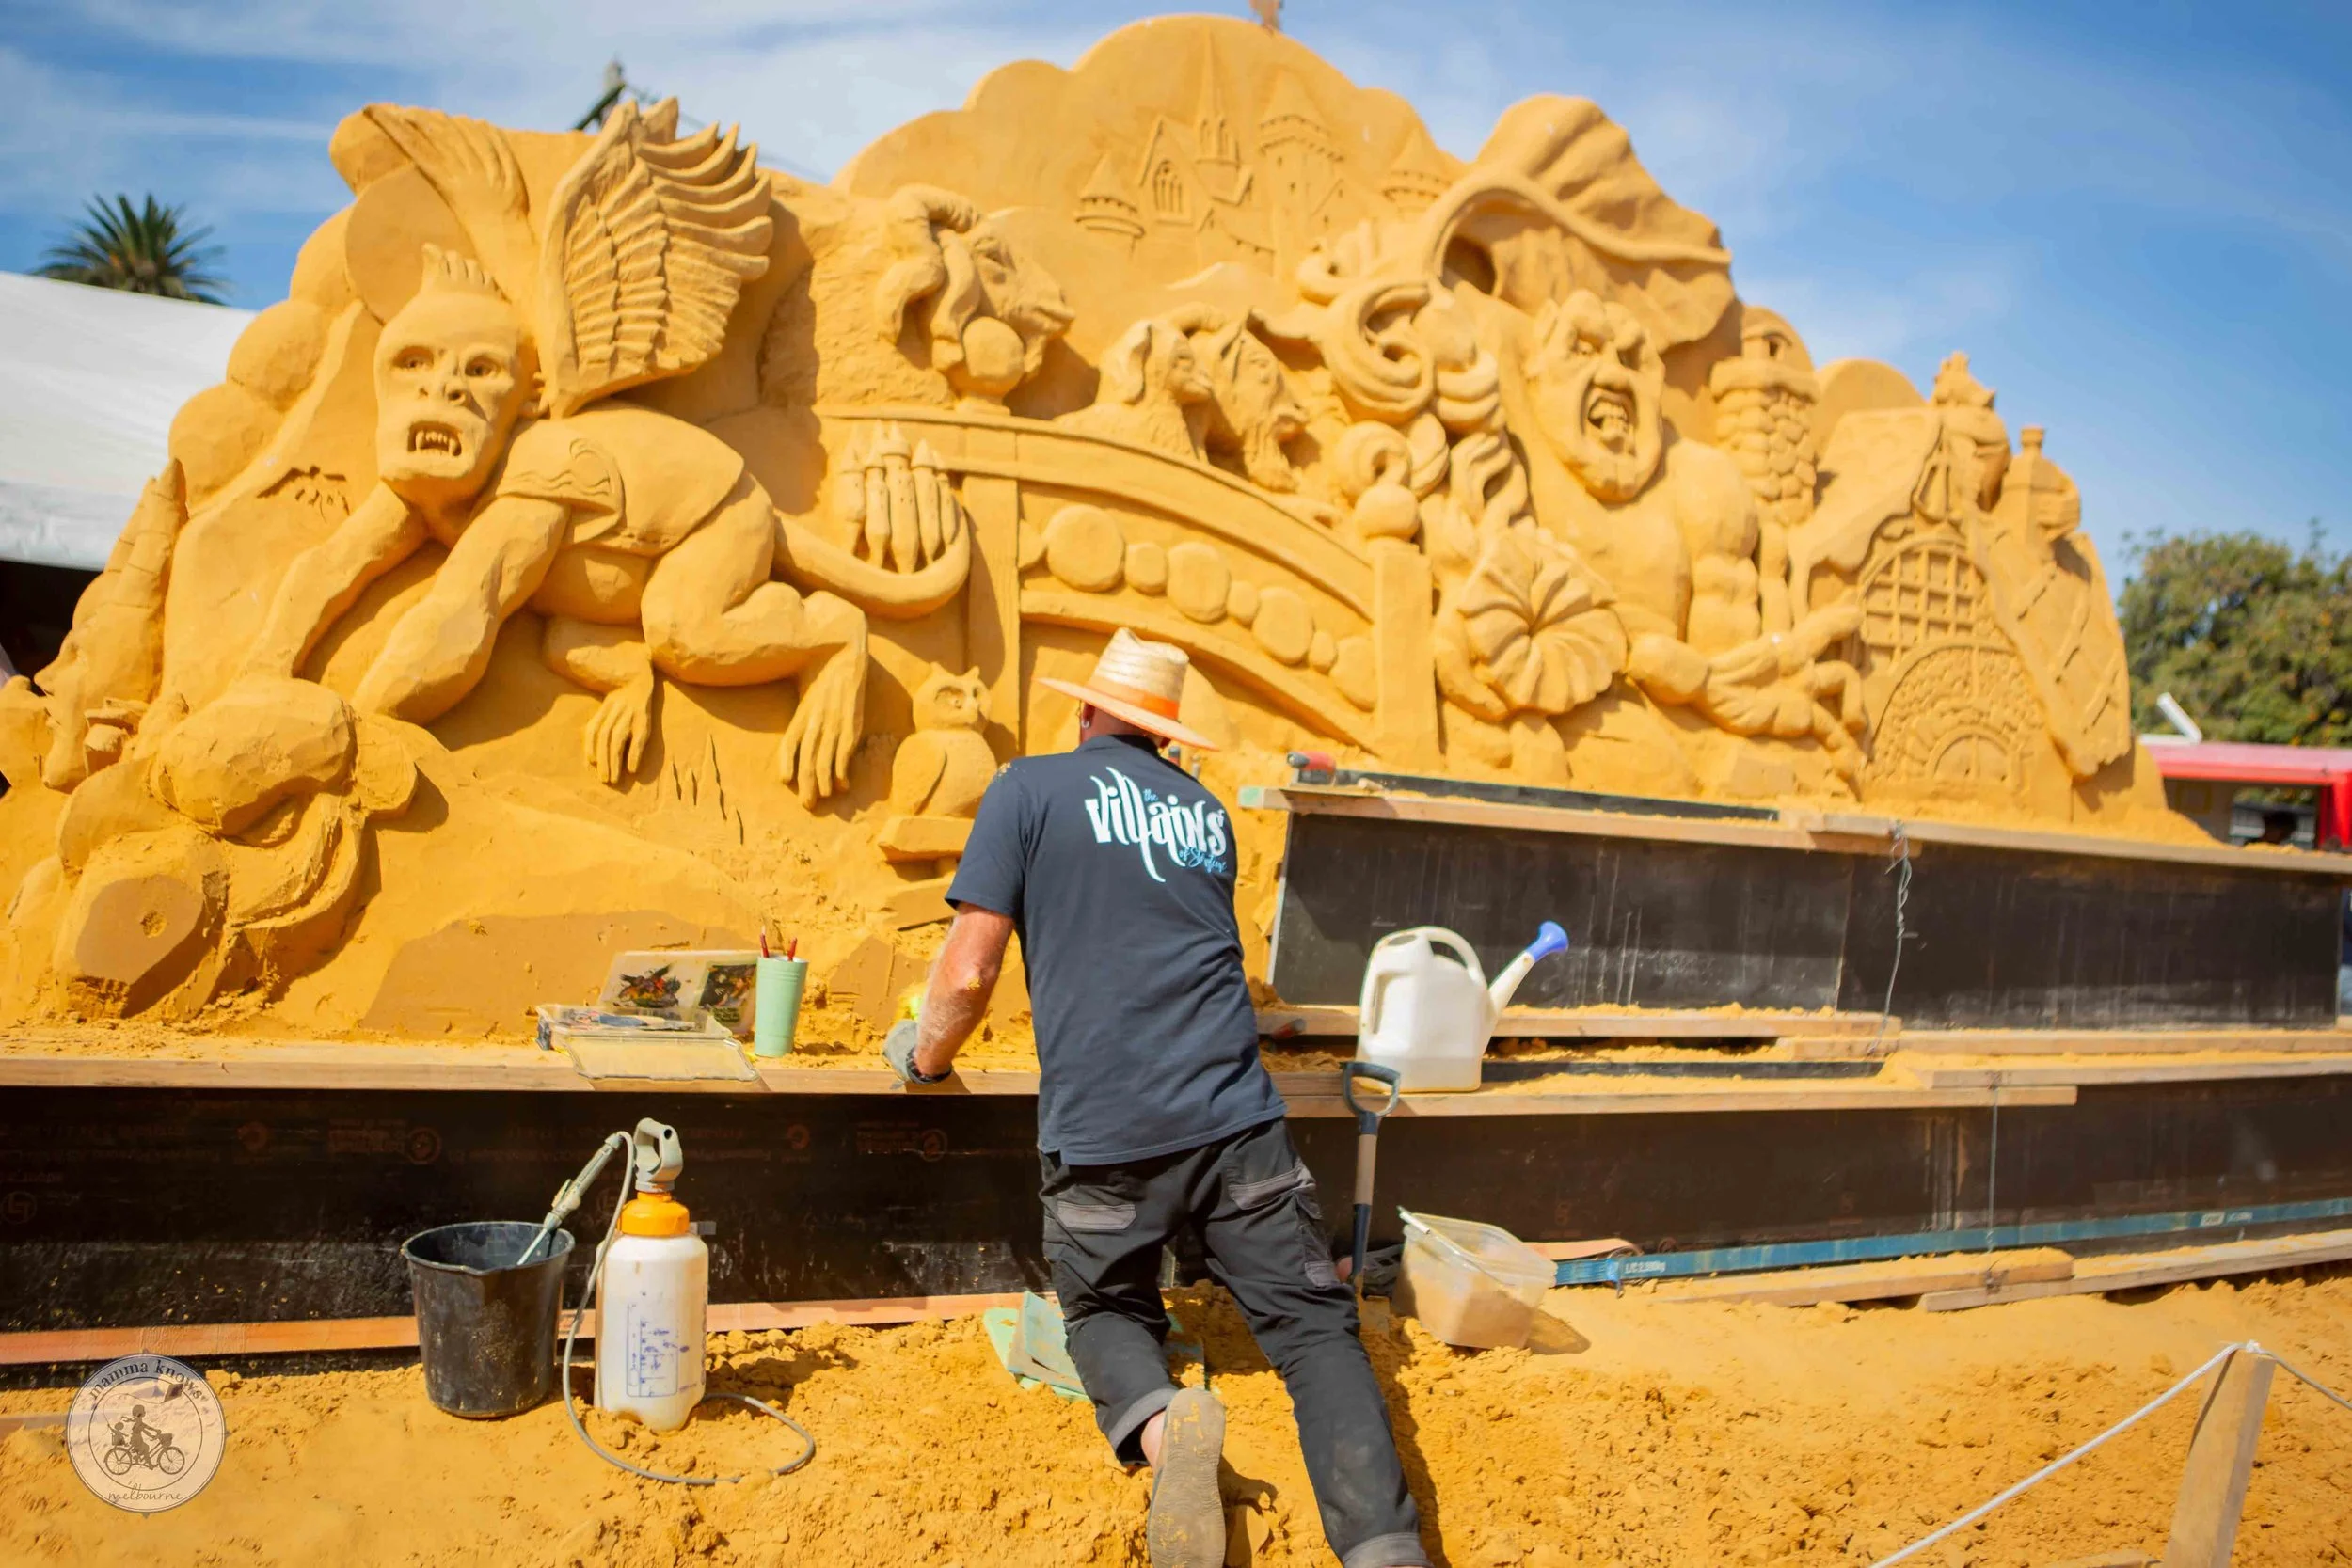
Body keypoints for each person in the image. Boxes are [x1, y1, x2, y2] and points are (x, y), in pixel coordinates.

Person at [884, 629, 1429, 1568]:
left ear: (1085, 711)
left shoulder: (1024, 788)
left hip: (1107, 1133)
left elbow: (969, 973)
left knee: (1103, 1308)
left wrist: (924, 1058)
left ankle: (1168, 1430)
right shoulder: (1207, 813)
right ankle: (1387, 1550)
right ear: (1166, 734)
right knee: (1313, 1330)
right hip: (1237, 1123)